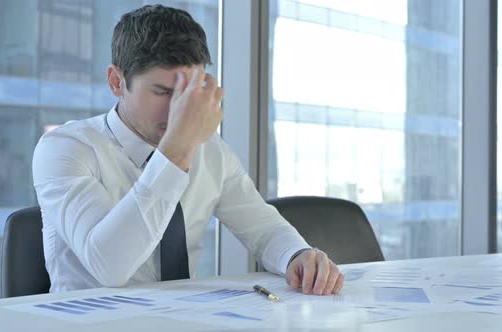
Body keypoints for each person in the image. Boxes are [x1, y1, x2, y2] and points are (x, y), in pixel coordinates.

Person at [33, 4, 344, 296]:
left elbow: (264, 229)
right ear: (117, 82)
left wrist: (298, 255)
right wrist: (176, 152)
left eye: (188, 91)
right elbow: (109, 268)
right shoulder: (65, 148)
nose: (180, 108)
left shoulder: (211, 151)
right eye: (163, 92)